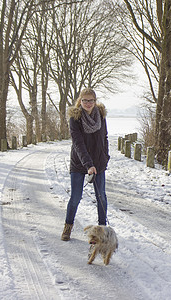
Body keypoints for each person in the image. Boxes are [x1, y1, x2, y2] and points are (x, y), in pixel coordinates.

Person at [61, 88, 110, 241]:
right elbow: (78, 143)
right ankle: (68, 226)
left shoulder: (101, 116)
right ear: (80, 101)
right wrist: (88, 164)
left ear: (95, 101)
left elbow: (105, 138)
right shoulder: (75, 118)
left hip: (98, 163)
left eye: (91, 100)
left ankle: (102, 231)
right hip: (79, 163)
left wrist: (105, 157)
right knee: (76, 197)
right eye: (85, 100)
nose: (88, 103)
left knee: (101, 197)